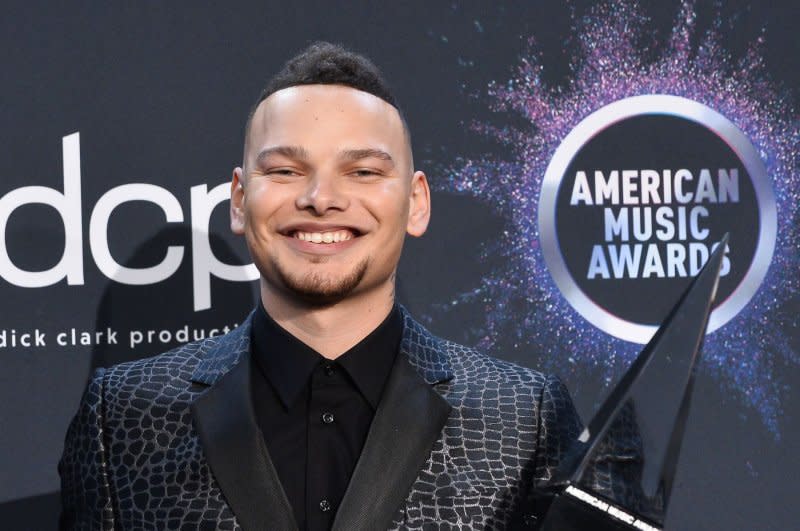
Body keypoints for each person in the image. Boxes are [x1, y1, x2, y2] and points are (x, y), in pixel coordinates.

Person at [59, 42, 584, 531]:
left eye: (362, 171)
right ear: (239, 201)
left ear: (416, 202)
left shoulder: (523, 417)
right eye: (285, 170)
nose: (320, 197)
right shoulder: (124, 415)